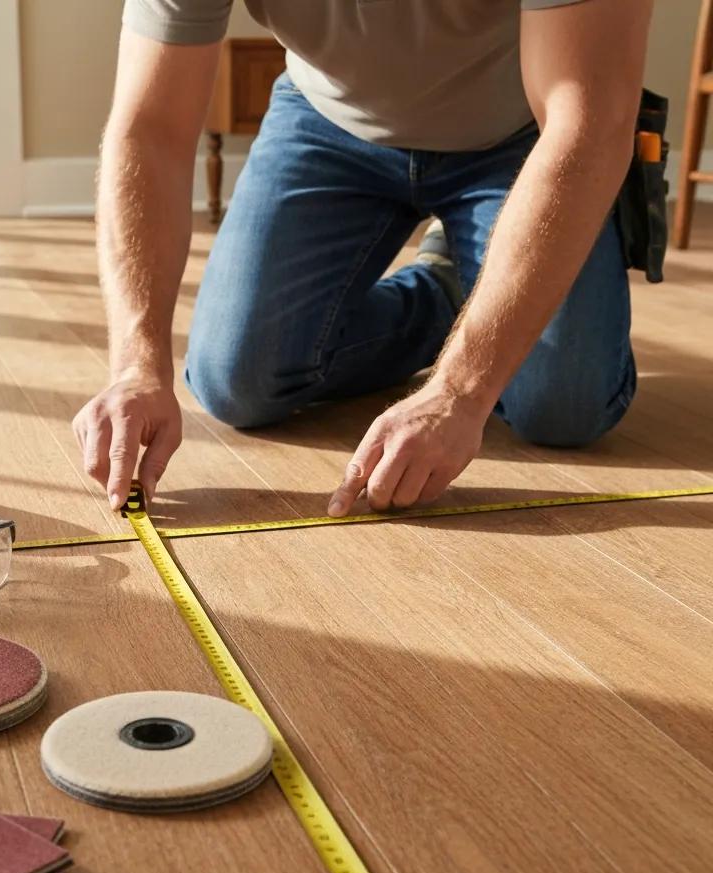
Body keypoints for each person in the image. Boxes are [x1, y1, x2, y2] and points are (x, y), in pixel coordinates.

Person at [72, 0, 653, 517]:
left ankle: (482, 300)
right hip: (328, 120)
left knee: (565, 407)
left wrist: (460, 392)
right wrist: (136, 364)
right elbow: (149, 130)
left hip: (524, 138)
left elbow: (589, 123)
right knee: (236, 381)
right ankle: (447, 290)